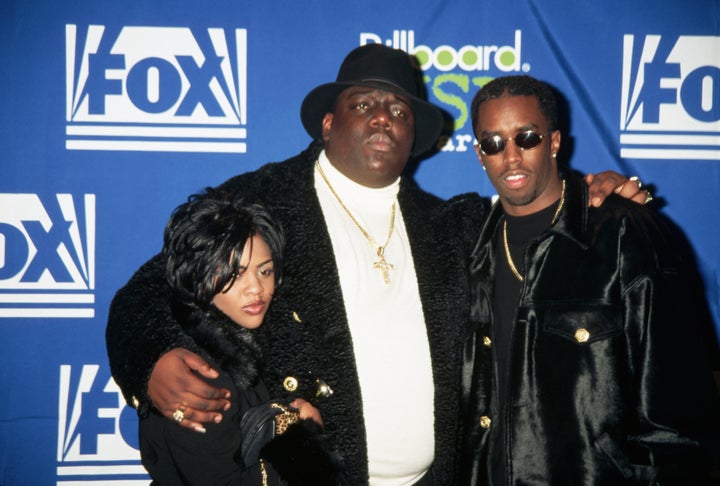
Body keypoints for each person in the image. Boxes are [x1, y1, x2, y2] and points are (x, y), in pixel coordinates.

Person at [107, 44, 645, 485]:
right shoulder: (260, 201)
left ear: (415, 139)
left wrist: (589, 193)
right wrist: (151, 359)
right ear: (326, 123)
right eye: (364, 104)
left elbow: (533, 216)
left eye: (401, 111)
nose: (385, 117)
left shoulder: (453, 225)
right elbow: (150, 289)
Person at [459, 74, 720, 485]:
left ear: (554, 141)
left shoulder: (626, 235)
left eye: (526, 137)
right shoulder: (475, 246)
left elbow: (679, 418)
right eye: (494, 142)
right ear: (479, 154)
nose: (510, 156)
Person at [138, 189, 343, 485]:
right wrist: (307, 439)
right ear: (197, 276)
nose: (256, 289)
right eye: (235, 274)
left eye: (265, 271)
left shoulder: (244, 342)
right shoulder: (200, 375)